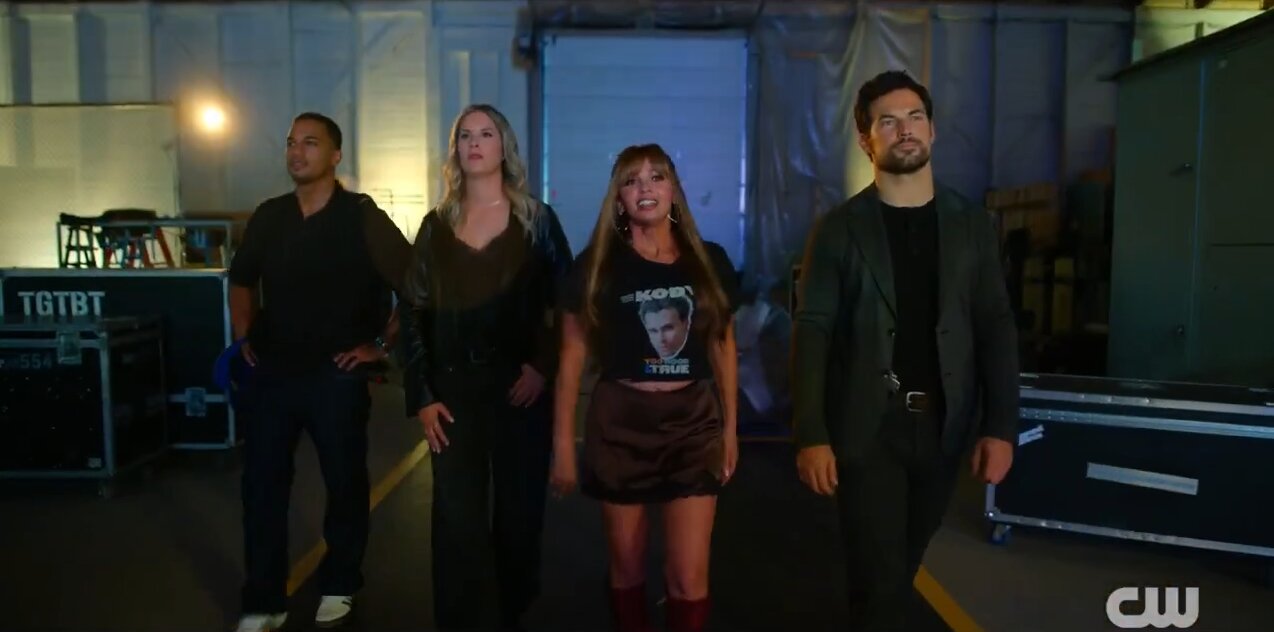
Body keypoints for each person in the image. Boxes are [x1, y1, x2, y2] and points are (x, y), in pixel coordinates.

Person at [791, 69, 1019, 631]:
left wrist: (1001, 426)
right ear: (866, 140)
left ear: (933, 130)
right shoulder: (840, 230)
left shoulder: (971, 225)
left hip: (944, 426)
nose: (905, 129)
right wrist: (812, 433)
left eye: (915, 117)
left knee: (900, 566)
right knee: (880, 575)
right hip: (869, 426)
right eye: (888, 122)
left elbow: (995, 325)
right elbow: (813, 331)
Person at [228, 112, 413, 632]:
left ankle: (339, 583)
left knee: (344, 484)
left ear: (335, 155)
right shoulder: (270, 216)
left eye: (310, 143)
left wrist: (381, 344)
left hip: (336, 376)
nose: (297, 151)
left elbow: (415, 284)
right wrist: (244, 336)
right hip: (272, 373)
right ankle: (263, 600)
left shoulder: (361, 216)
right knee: (262, 487)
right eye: (291, 142)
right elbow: (241, 280)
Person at [551, 143, 741, 632]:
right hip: (621, 425)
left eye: (657, 176)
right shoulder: (596, 265)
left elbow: (723, 347)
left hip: (693, 424)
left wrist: (730, 430)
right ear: (618, 198)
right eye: (631, 180)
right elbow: (570, 359)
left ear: (674, 190)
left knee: (689, 576)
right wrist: (563, 446)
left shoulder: (708, 261)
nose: (645, 187)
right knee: (628, 569)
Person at [398, 103, 572, 632]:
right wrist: (423, 395)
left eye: (486, 134)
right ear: (455, 151)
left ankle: (511, 615)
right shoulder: (436, 227)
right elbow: (413, 311)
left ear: (504, 147)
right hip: (453, 393)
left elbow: (566, 303)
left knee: (519, 518)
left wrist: (542, 366)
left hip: (521, 390)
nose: (474, 143)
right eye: (465, 135)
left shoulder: (537, 221)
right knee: (456, 521)